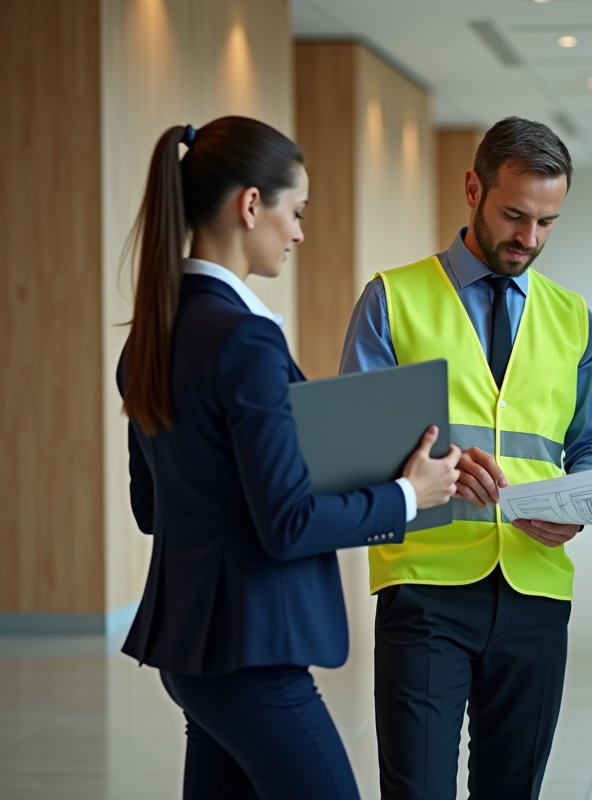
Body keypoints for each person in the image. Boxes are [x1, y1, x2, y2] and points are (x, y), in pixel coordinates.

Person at [117, 116, 461, 800]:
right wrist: (405, 496)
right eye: (295, 211)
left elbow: (152, 506)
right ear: (251, 205)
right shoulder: (245, 341)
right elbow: (288, 524)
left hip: (194, 650)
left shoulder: (154, 335)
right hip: (254, 652)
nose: (300, 232)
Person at [339, 116, 592, 800]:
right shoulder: (393, 298)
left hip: (535, 590)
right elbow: (353, 452)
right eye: (514, 215)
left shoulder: (571, 316)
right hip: (425, 590)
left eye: (547, 222)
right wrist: (432, 470)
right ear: (473, 188)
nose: (529, 239)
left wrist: (577, 507)